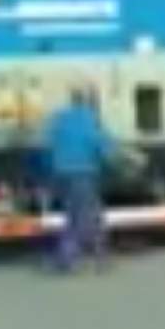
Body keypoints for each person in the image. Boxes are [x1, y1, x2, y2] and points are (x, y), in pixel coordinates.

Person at [43, 87, 117, 273]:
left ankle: (101, 256)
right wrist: (111, 154)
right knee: (84, 216)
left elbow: (49, 142)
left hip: (61, 173)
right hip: (82, 172)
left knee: (83, 214)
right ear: (87, 102)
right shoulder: (89, 119)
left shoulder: (60, 118)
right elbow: (101, 145)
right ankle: (67, 257)